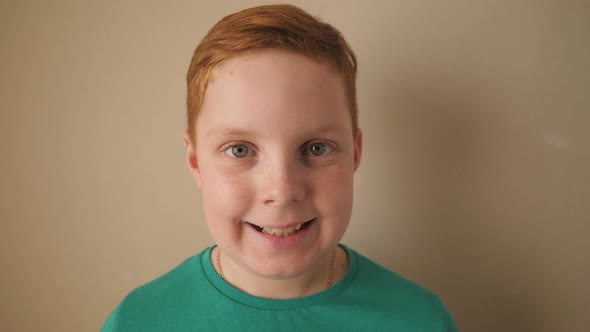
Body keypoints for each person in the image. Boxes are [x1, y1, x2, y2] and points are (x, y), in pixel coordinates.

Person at [101, 4, 458, 331]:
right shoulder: (138, 321)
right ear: (195, 162)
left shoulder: (419, 320)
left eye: (316, 148)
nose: (283, 190)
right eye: (239, 150)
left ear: (354, 154)